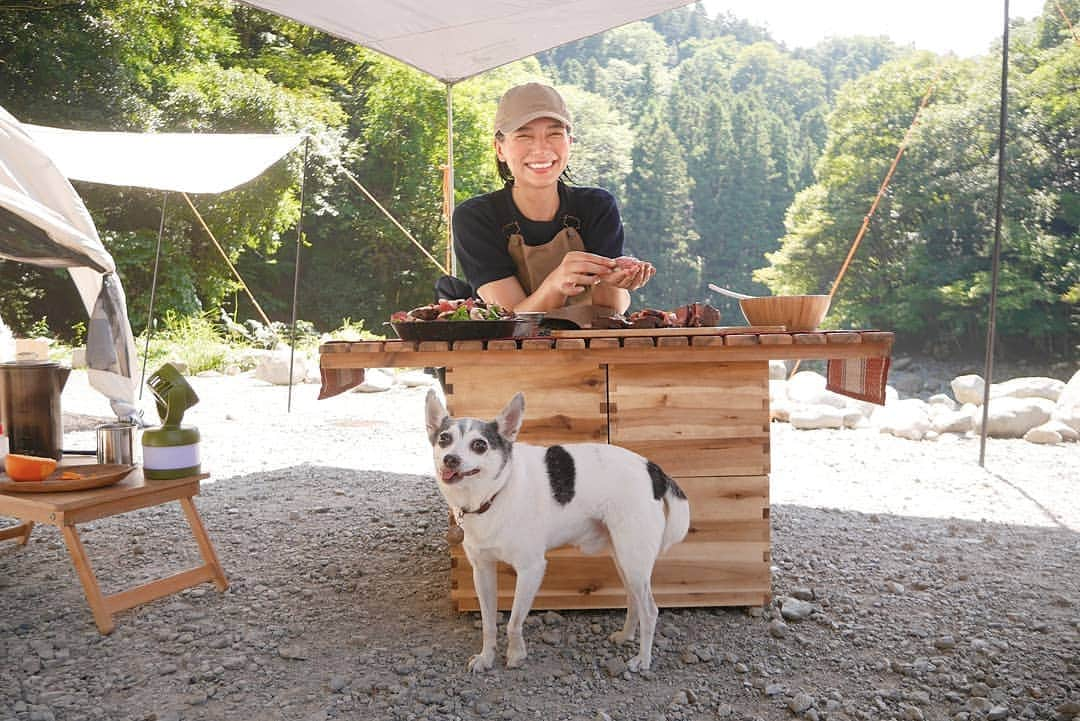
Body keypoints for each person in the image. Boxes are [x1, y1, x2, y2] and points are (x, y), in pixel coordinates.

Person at [449, 82, 654, 324]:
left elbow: (611, 312)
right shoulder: (476, 217)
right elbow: (510, 321)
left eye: (554, 134)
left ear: (570, 141)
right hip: (510, 357)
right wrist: (557, 283)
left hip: (593, 353)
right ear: (499, 149)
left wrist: (616, 280)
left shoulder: (597, 206)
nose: (541, 148)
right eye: (524, 135)